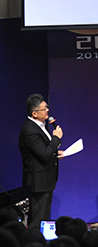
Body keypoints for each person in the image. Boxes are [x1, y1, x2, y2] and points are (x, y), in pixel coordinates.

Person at [19, 94, 64, 226]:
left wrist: (55, 153)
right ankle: (34, 239)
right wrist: (56, 138)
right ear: (34, 113)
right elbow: (43, 154)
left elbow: (42, 150)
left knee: (43, 218)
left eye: (46, 107)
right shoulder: (30, 131)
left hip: (46, 180)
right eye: (44, 109)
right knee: (38, 220)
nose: (47, 110)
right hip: (38, 183)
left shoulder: (40, 125)